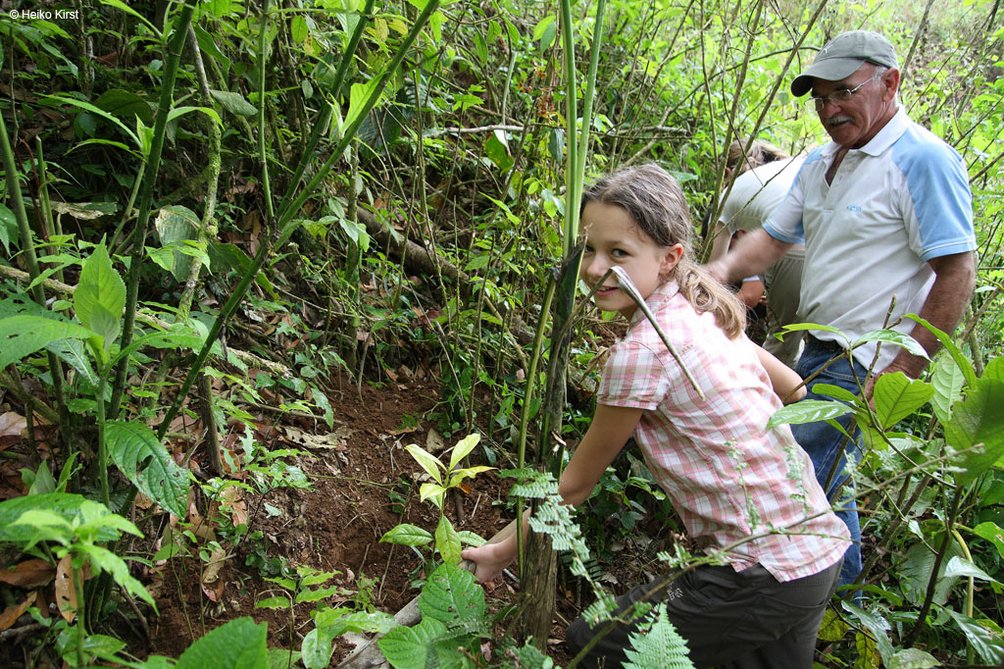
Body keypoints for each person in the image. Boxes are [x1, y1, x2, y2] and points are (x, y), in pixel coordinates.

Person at [463, 163, 850, 668]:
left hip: (757, 568)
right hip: (815, 550)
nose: (595, 269)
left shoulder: (643, 353)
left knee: (590, 643)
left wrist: (500, 551)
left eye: (618, 253)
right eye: (590, 250)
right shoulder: (702, 310)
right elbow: (796, 388)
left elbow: (575, 487)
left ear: (670, 258)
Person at [706, 30, 977, 591]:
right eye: (820, 98)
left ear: (890, 83)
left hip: (866, 361)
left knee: (798, 477)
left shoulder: (922, 160)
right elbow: (775, 239)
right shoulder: (822, 160)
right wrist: (718, 272)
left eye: (844, 93)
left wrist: (904, 368)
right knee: (826, 481)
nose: (830, 109)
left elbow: (957, 271)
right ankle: (841, 591)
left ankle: (797, 598)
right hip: (818, 351)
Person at [710, 140, 807, 368]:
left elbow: (714, 280)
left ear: (727, 173)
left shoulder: (731, 193)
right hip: (839, 234)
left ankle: (776, 398)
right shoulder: (792, 166)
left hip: (797, 244)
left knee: (783, 339)